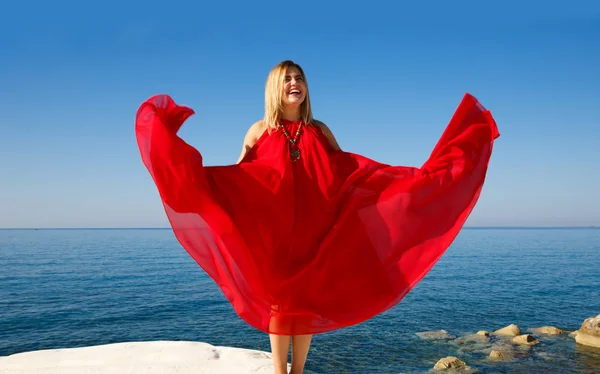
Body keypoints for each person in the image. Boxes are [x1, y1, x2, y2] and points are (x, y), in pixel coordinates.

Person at [134, 60, 499, 374]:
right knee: (280, 302)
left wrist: (402, 185)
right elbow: (242, 177)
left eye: (300, 78)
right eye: (288, 79)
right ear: (276, 88)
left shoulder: (320, 130)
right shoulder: (259, 131)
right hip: (275, 232)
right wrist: (204, 185)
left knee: (304, 301)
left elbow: (346, 173)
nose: (295, 84)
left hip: (315, 229)